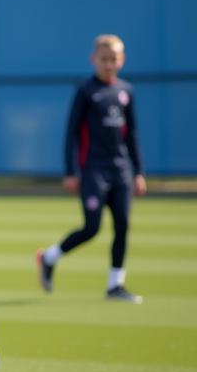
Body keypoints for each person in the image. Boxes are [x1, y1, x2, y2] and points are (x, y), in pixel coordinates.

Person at [37, 34, 146, 302]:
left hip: (120, 169)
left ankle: (115, 285)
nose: (109, 65)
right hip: (93, 169)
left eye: (114, 59)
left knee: (122, 224)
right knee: (92, 227)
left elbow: (131, 134)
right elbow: (71, 132)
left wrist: (138, 171)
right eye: (104, 59)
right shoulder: (86, 91)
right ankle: (50, 257)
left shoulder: (125, 91)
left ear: (122, 60)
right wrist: (70, 172)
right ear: (93, 59)